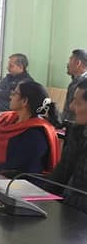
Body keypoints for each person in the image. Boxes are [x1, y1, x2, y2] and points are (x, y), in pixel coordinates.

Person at [0, 81, 60, 173]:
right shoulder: (6, 120)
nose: (10, 97)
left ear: (24, 101)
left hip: (5, 178)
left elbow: (15, 167)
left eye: (14, 94)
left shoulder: (36, 134)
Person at [46, 79, 87, 212]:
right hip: (66, 209)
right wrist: (40, 199)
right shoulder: (78, 132)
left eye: (78, 103)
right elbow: (60, 175)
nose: (71, 107)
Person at [63, 49, 87, 122]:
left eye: (70, 60)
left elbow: (71, 109)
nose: (67, 64)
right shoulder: (75, 81)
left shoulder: (84, 85)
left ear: (77, 63)